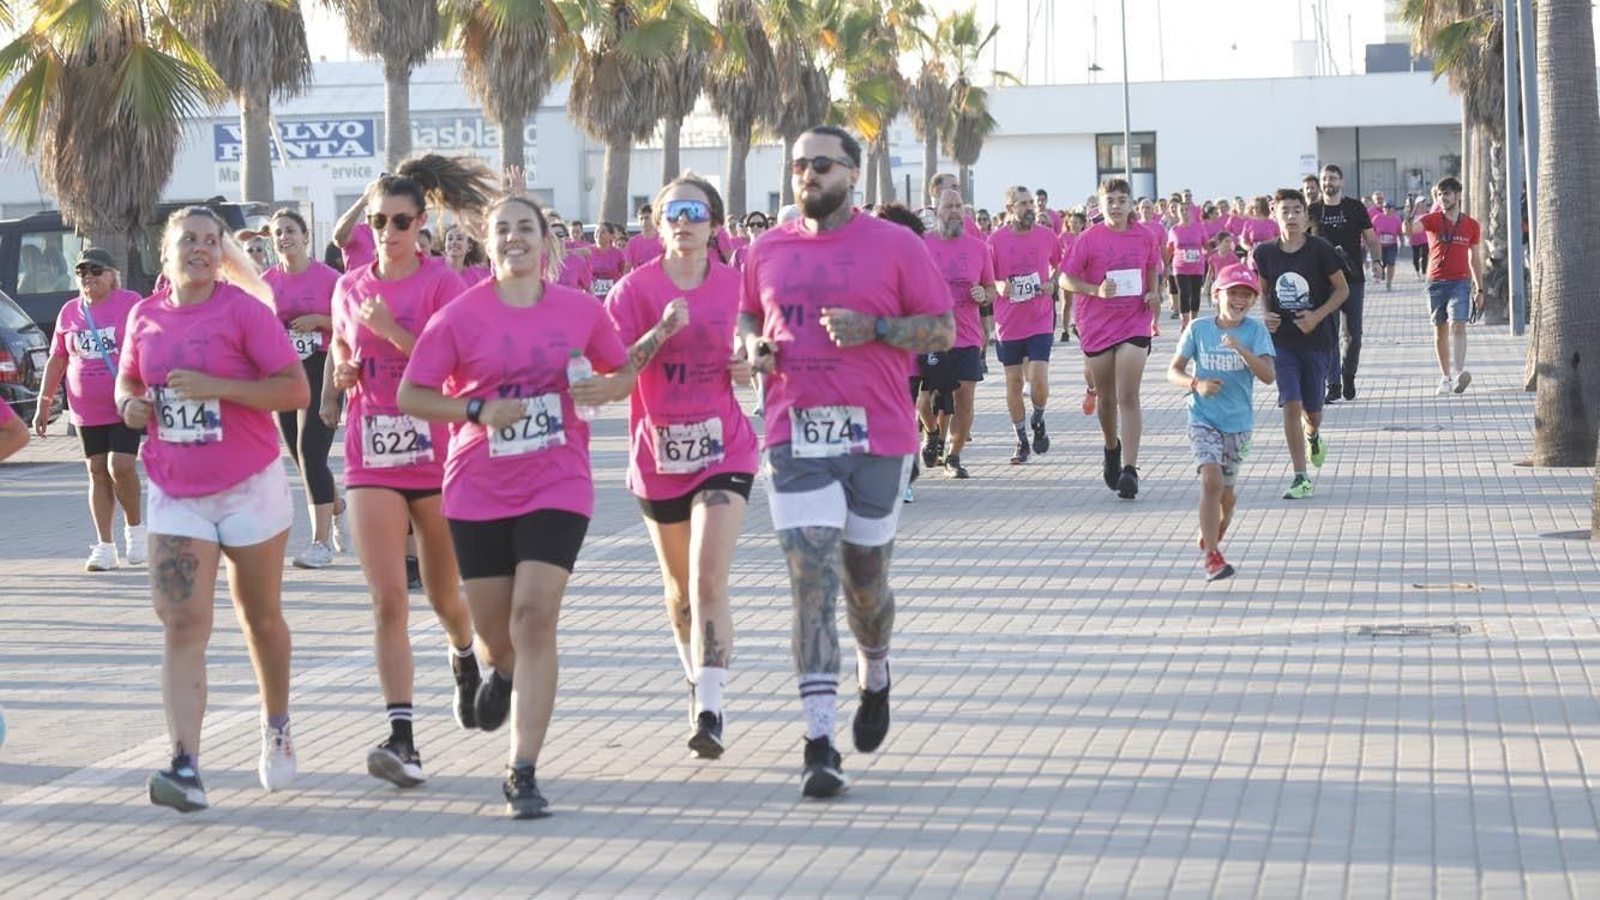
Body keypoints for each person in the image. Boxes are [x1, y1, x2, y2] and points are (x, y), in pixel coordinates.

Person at [397, 194, 634, 818]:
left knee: (535, 619)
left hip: (558, 481)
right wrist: (476, 410)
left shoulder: (580, 311)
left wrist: (604, 387)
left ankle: (521, 769)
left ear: (545, 240)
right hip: (477, 486)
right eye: (502, 230)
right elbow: (411, 394)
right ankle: (498, 673)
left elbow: (621, 374)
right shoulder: (457, 316)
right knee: (497, 637)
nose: (514, 239)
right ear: (486, 240)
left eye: (526, 228)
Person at [738, 125, 953, 798]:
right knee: (811, 582)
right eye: (799, 165)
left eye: (821, 164)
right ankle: (818, 741)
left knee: (865, 586)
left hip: (879, 437)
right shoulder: (765, 248)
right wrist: (751, 350)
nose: (807, 174)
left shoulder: (896, 245)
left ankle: (877, 668)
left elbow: (942, 328)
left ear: (852, 174)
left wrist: (879, 331)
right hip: (795, 433)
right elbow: (747, 318)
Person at [117, 206, 310, 811]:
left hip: (250, 485)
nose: (200, 248)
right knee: (182, 624)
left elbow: (295, 389)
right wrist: (129, 407)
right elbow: (126, 382)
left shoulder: (245, 311)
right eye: (187, 240)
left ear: (221, 252)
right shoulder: (143, 316)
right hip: (176, 490)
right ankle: (185, 765)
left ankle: (276, 722)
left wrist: (218, 388)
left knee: (260, 620)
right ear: (164, 249)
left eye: (210, 240)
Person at [321, 157, 488, 789]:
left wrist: (391, 332)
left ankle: (464, 654)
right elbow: (342, 340)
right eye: (378, 221)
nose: (387, 232)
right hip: (371, 456)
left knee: (445, 597)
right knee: (388, 599)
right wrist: (340, 371)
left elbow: (456, 368)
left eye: (400, 222)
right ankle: (403, 737)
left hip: (437, 456)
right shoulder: (348, 286)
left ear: (422, 225)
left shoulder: (442, 284)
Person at [603, 173, 759, 759]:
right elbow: (616, 374)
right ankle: (696, 676)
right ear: (657, 223)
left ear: (714, 225)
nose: (685, 221)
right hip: (658, 454)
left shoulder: (736, 286)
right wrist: (661, 331)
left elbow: (759, 345)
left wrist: (751, 367)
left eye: (696, 211)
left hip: (725, 451)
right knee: (678, 594)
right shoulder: (632, 291)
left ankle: (710, 709)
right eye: (674, 212)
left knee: (706, 578)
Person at [34, 248, 146, 571]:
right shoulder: (70, 312)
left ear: (112, 275)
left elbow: (149, 344)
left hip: (124, 402)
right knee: (97, 470)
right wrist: (44, 404)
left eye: (96, 271)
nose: (88, 277)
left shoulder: (129, 302)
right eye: (82, 272)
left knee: (120, 466)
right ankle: (104, 546)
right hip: (86, 409)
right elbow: (57, 359)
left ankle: (136, 530)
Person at [1166, 264, 1276, 581]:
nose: (1239, 300)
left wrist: (1242, 350)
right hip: (1203, 418)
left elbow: (1268, 376)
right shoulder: (1199, 329)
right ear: (1217, 295)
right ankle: (1212, 557)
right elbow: (1173, 371)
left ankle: (1218, 525)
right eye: (1233, 293)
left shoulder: (1255, 332)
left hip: (1239, 425)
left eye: (1246, 294)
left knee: (1226, 493)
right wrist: (1195, 384)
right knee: (1211, 481)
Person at [1061, 178, 1164, 500]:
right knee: (1106, 399)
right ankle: (1111, 447)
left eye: (1122, 200)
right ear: (1101, 205)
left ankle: (1131, 470)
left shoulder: (1145, 236)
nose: (1117, 206)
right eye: (1111, 201)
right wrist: (1096, 290)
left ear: (1131, 204)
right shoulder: (1089, 239)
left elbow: (1152, 270)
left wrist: (1154, 293)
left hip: (1134, 322)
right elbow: (1065, 277)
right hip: (1097, 325)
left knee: (1128, 395)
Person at [262, 209, 346, 569]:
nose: (284, 237)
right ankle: (337, 506)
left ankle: (320, 543)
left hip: (323, 367)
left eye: (291, 231)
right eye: (278, 232)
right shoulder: (266, 282)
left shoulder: (329, 278)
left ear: (306, 236)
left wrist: (318, 321)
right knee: (300, 458)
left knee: (311, 453)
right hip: (283, 372)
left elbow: (349, 325)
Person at [1251, 188, 1348, 501]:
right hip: (1283, 342)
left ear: (1306, 215)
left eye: (1296, 210)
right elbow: (1264, 291)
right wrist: (1266, 315)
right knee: (1290, 402)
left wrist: (1317, 316)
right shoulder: (1264, 253)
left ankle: (1314, 435)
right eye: (1285, 211)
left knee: (1313, 411)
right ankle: (1300, 476)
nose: (1291, 217)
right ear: (1274, 215)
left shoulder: (1320, 250)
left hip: (1317, 340)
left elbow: (1342, 290)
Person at [987, 185, 1061, 465]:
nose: (1030, 207)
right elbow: (987, 277)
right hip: (1008, 322)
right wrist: (998, 285)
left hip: (1040, 318)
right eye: (1022, 203)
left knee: (1039, 378)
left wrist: (1053, 282)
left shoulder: (1046, 236)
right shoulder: (995, 240)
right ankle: (1021, 440)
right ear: (1010, 209)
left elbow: (1063, 263)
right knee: (1014, 383)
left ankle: (1038, 418)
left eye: (1031, 202)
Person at [924, 189, 995, 479]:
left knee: (964, 398)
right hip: (930, 335)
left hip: (966, 335)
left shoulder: (978, 248)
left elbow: (991, 289)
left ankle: (953, 456)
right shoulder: (922, 245)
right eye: (948, 206)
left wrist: (983, 294)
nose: (955, 211)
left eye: (959, 207)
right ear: (936, 210)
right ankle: (931, 434)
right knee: (925, 401)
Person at [1309, 164, 1382, 403]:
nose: (1328, 182)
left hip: (1353, 280)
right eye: (1324, 178)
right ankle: (1334, 383)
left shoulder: (1355, 207)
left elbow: (1371, 239)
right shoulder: (1313, 210)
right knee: (1327, 334)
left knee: (1353, 335)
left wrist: (1377, 261)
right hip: (1322, 282)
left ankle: (1348, 374)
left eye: (1332, 178)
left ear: (1341, 181)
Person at [1419, 176, 1483, 395]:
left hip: (1460, 282)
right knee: (1440, 330)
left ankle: (1458, 374)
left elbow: (1474, 259)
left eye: (1446, 193)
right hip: (1435, 283)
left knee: (1459, 324)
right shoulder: (1432, 219)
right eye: (1439, 194)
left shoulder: (1471, 225)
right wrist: (1408, 220)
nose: (1442, 198)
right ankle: (1444, 377)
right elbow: (1410, 229)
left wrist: (1480, 288)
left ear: (1457, 195)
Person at [1166, 199, 1209, 332]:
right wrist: (1165, 265)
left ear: (1191, 211)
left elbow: (1206, 245)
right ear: (1177, 213)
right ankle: (1184, 322)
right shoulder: (1174, 229)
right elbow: (1170, 249)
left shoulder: (1199, 227)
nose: (1184, 212)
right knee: (1184, 293)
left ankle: (1193, 320)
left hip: (1197, 265)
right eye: (1181, 210)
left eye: (1186, 210)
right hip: (1180, 265)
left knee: (1195, 293)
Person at [587, 222, 627, 298]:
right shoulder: (588, 252)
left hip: (613, 296)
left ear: (612, 236)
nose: (598, 234)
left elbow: (623, 274)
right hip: (592, 297)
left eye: (603, 232)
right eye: (597, 231)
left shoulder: (618, 254)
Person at [1371, 202, 1404, 291]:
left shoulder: (1397, 220)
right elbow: (1370, 230)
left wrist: (1402, 245)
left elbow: (1400, 233)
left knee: (1391, 263)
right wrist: (1370, 243)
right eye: (1385, 207)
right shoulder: (1377, 218)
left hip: (1392, 246)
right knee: (1381, 264)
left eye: (1389, 207)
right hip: (1379, 246)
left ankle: (1389, 283)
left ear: (1393, 209)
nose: (1387, 209)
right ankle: (1381, 275)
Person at [625, 204, 664, 270]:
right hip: (639, 279)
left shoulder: (663, 240)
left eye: (647, 218)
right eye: (641, 219)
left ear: (654, 218)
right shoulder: (633, 242)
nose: (644, 221)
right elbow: (627, 267)